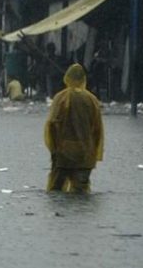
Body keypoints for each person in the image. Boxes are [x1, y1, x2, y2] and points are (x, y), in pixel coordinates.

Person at [44, 63, 104, 194]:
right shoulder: (92, 100)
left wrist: (54, 149)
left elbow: (51, 125)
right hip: (85, 154)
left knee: (56, 190)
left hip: (63, 153)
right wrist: (94, 151)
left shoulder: (61, 98)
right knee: (81, 191)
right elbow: (97, 129)